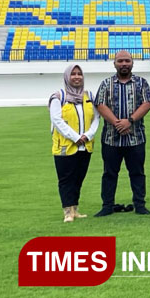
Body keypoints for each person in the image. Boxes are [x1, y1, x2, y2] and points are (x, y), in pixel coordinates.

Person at [93, 50, 150, 216]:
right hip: (111, 139)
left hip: (135, 138)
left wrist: (130, 120)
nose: (124, 64)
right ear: (114, 63)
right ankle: (107, 206)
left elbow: (148, 102)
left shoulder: (141, 83)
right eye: (120, 61)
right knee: (109, 174)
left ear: (132, 63)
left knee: (137, 173)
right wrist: (117, 123)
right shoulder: (106, 83)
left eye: (127, 61)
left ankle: (140, 205)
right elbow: (100, 104)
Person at [48, 64, 100, 222]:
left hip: (85, 146)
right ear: (67, 77)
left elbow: (96, 118)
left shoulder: (89, 95)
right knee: (66, 180)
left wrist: (87, 135)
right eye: (73, 74)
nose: (77, 77)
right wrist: (75, 137)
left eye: (79, 74)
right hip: (65, 146)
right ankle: (67, 212)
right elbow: (56, 120)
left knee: (79, 178)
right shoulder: (59, 97)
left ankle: (75, 209)